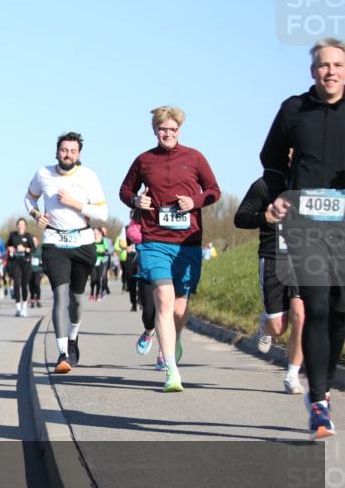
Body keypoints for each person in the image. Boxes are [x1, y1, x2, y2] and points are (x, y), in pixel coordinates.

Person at [260, 37, 344, 439]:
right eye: (324, 65)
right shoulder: (293, 109)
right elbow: (271, 159)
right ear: (313, 71)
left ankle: (321, 384)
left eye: (338, 65)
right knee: (318, 303)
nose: (331, 71)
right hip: (304, 223)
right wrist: (279, 194)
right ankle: (319, 401)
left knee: (340, 313)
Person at [120, 106, 221, 393]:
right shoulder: (144, 160)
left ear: (179, 131)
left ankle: (173, 340)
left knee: (179, 309)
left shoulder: (194, 158)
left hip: (188, 243)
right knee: (164, 299)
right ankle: (171, 371)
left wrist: (195, 202)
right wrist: (136, 201)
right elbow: (125, 190)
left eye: (172, 129)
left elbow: (214, 190)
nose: (168, 133)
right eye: (163, 129)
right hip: (154, 241)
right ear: (155, 130)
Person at [25, 132, 107, 373]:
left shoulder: (88, 176)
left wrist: (75, 203)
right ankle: (62, 353)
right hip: (54, 243)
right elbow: (29, 198)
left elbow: (102, 213)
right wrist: (36, 215)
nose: (68, 154)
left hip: (82, 243)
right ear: (57, 151)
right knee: (60, 297)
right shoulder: (43, 173)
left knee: (77, 300)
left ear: (78, 154)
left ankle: (73, 337)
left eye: (72, 151)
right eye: (64, 150)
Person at [234, 175, 305, 394]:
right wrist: (264, 217)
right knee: (278, 328)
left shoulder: (311, 182)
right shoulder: (264, 185)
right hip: (273, 258)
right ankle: (265, 325)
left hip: (305, 259)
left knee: (300, 315)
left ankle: (292, 375)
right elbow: (240, 218)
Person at [127, 215, 164, 369]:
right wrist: (153, 237)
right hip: (146, 267)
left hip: (168, 266)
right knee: (149, 313)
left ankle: (163, 354)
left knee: (164, 313)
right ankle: (149, 331)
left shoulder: (172, 209)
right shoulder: (143, 210)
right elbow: (132, 231)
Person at [6, 218, 35, 316]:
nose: (20, 226)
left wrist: (25, 249)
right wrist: (10, 248)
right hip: (15, 262)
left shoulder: (28, 236)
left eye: (22, 224)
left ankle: (24, 307)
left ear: (25, 226)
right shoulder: (12, 235)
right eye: (19, 224)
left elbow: (33, 249)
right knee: (16, 284)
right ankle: (18, 308)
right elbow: (7, 245)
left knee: (24, 285)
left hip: (26, 262)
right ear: (17, 225)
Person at [90, 226, 109, 302]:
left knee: (98, 279)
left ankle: (98, 294)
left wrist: (102, 252)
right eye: (94, 232)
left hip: (101, 261)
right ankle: (92, 293)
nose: (95, 233)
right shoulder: (91, 241)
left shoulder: (103, 241)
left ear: (100, 233)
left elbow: (106, 251)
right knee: (93, 279)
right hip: (93, 262)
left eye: (96, 232)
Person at [28, 234, 44, 308]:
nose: (34, 242)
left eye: (35, 241)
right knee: (31, 285)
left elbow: (44, 258)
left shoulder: (40, 249)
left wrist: (41, 261)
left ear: (37, 241)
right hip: (30, 269)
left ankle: (38, 299)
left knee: (37, 284)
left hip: (39, 269)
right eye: (32, 241)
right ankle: (32, 299)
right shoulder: (28, 249)